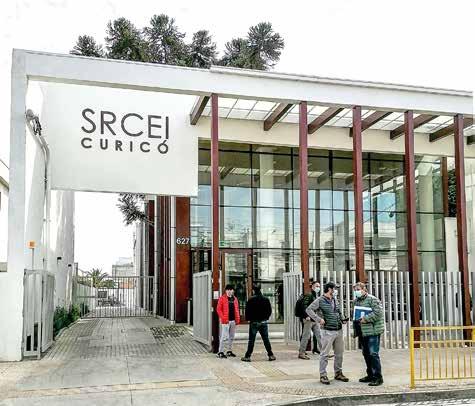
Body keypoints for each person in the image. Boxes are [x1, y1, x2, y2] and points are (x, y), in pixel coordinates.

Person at [306, 281, 349, 385]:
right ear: (330, 289)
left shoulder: (334, 299)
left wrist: (342, 319)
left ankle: (338, 373)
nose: (336, 291)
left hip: (338, 329)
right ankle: (323, 375)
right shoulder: (320, 300)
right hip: (327, 330)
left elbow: (338, 311)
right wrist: (318, 319)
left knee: (339, 353)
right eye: (335, 288)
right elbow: (309, 309)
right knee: (325, 354)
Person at [352, 282, 384, 386]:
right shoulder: (356, 301)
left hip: (372, 331)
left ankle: (378, 377)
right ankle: (370, 374)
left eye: (358, 289)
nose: (356, 292)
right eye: (355, 290)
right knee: (366, 353)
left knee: (373, 353)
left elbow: (378, 313)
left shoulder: (372, 299)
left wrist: (365, 319)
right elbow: (355, 316)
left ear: (364, 289)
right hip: (362, 331)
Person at [241, 285, 276, 362]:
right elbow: (269, 310)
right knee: (266, 339)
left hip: (254, 322)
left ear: (253, 290)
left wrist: (249, 319)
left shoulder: (251, 300)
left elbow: (247, 311)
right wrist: (266, 317)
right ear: (260, 290)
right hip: (263, 322)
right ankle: (271, 355)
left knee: (251, 340)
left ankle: (247, 356)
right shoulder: (266, 299)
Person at [298, 280, 322, 359]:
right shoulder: (309, 295)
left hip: (314, 319)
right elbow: (304, 306)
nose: (318, 288)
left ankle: (324, 352)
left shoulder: (315, 295)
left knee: (319, 335)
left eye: (319, 286)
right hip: (308, 319)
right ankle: (301, 353)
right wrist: (306, 316)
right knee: (306, 336)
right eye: (316, 286)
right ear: (312, 286)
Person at [216, 284, 240, 359]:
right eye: (228, 290)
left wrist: (237, 319)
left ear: (233, 291)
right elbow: (218, 309)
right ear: (226, 291)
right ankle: (220, 352)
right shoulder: (222, 298)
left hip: (233, 321)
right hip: (226, 321)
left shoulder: (235, 299)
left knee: (231, 337)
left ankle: (229, 351)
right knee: (224, 337)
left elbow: (237, 309)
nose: (229, 291)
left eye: (231, 290)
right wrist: (223, 318)